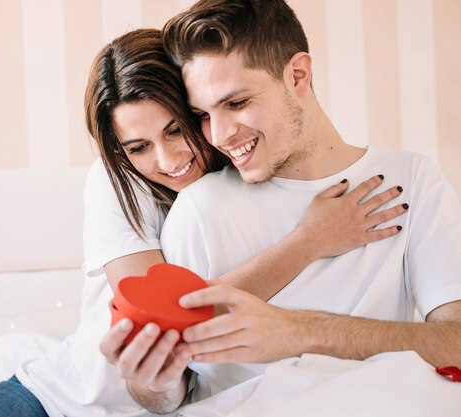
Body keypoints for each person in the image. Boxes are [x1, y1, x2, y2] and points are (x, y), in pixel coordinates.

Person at [0, 29, 405, 417]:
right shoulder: (117, 184)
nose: (168, 160)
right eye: (137, 146)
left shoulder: (246, 172)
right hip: (59, 403)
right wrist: (311, 240)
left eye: (174, 129)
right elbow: (160, 317)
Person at [100, 1, 461, 414]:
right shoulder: (198, 210)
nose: (219, 135)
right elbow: (167, 393)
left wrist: (298, 331)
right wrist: (152, 381)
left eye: (235, 103)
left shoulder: (409, 179)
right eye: (202, 114)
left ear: (298, 75)